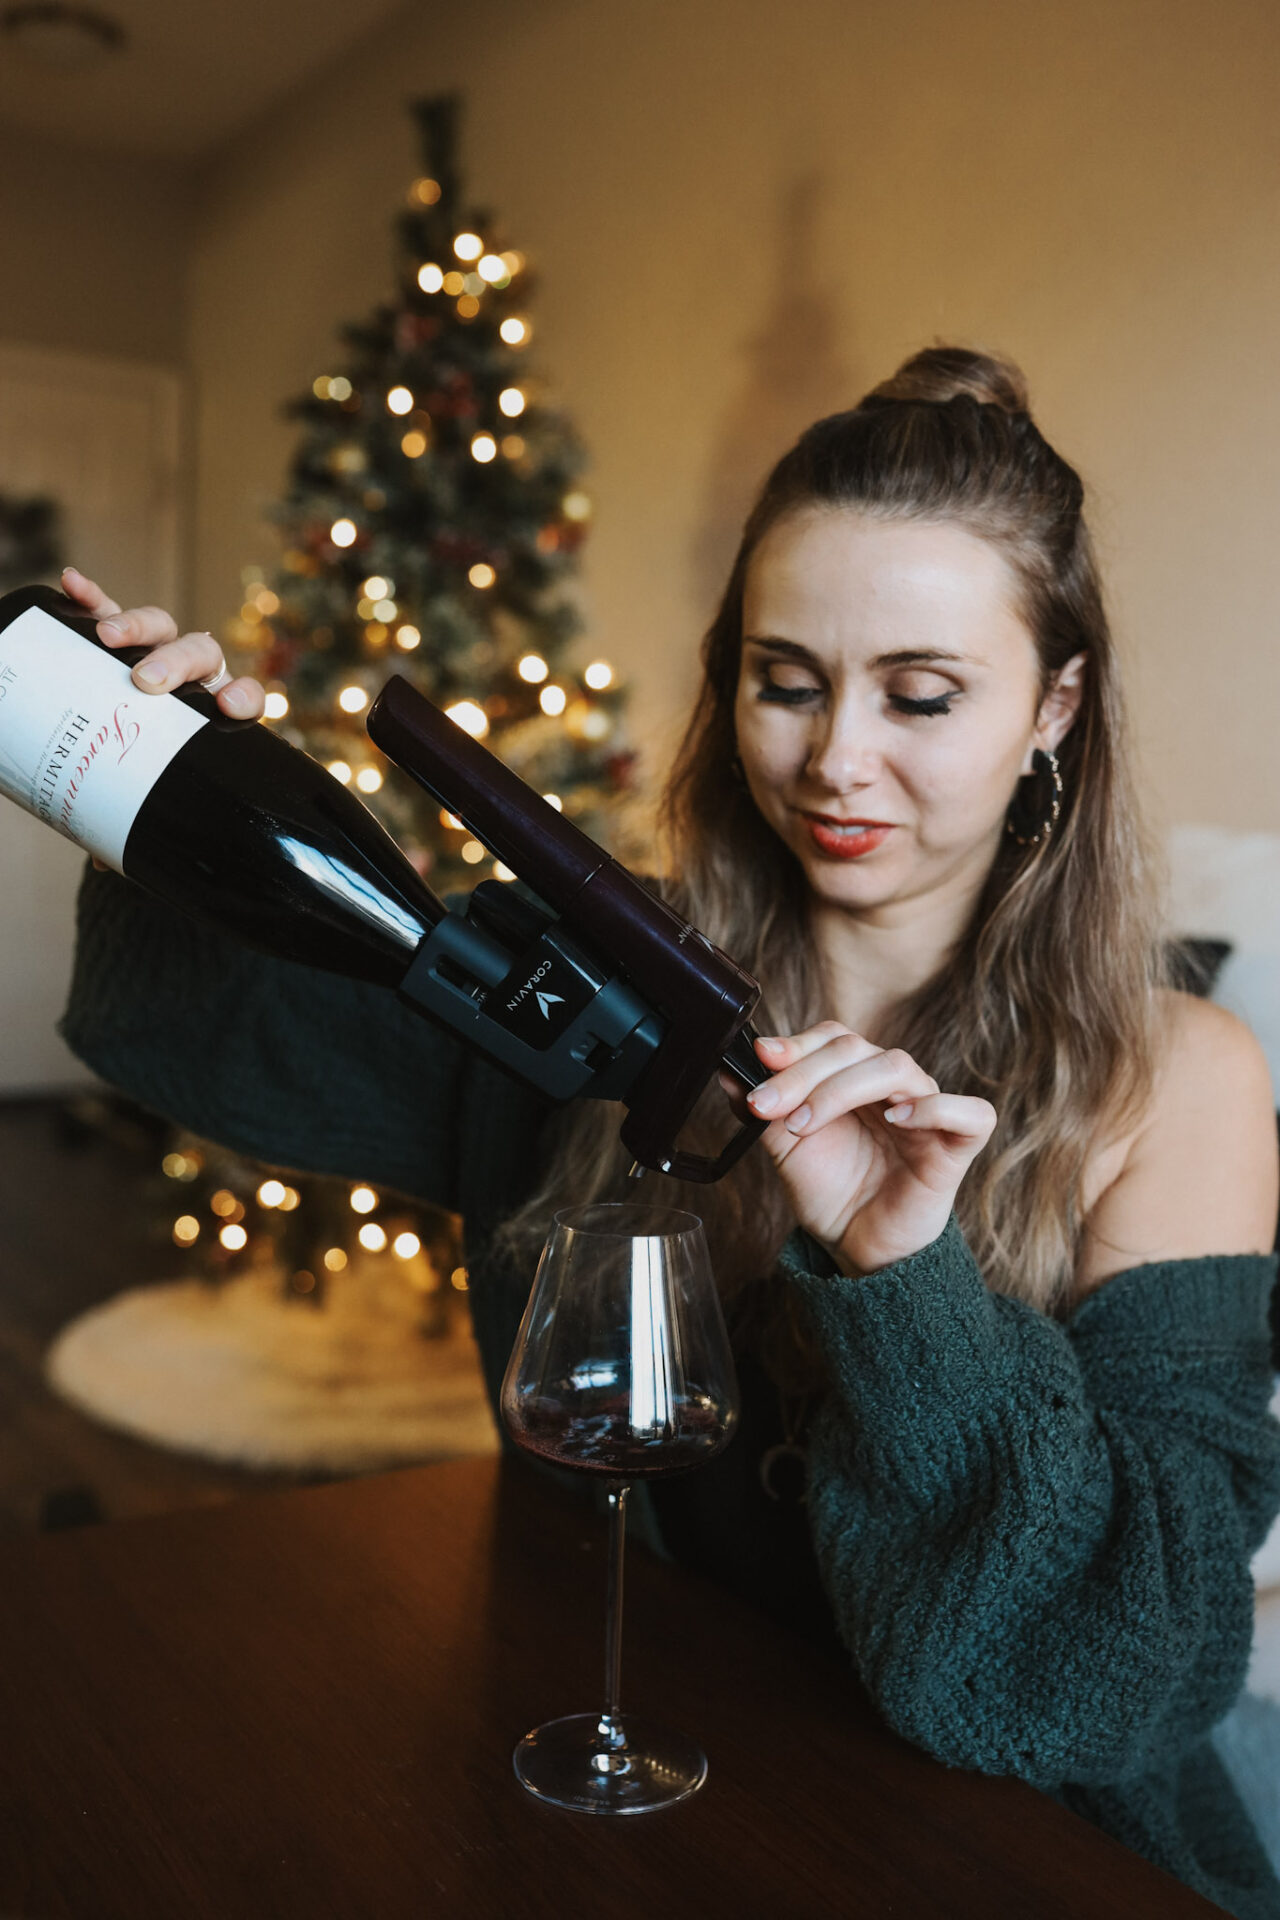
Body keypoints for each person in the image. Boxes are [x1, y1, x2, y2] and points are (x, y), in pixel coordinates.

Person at [58, 347, 1280, 1918]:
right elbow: (191, 1034)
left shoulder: (1176, 1076)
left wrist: (904, 1272)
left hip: (1016, 1833)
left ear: (1055, 704)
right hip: (608, 1751)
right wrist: (151, 791)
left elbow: (1130, 1672)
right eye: (786, 681)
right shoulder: (579, 990)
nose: (837, 758)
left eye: (920, 694)